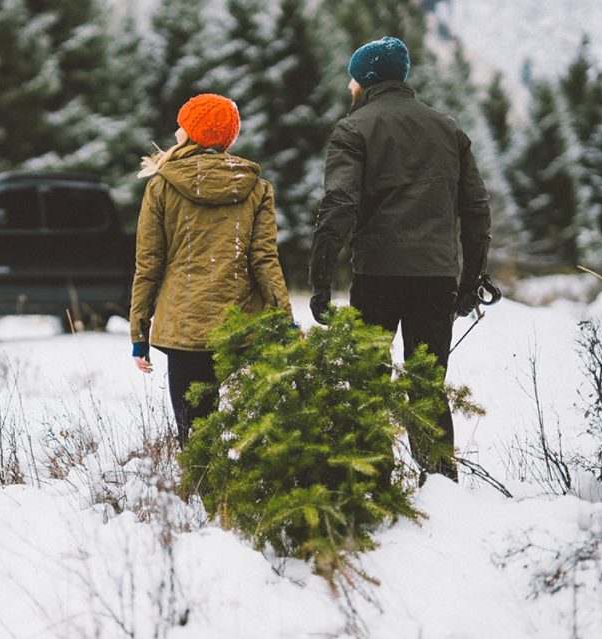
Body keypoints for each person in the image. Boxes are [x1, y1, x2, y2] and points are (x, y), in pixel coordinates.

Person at [307, 36, 492, 481]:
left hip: (378, 276)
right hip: (436, 276)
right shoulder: (448, 129)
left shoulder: (353, 129)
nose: (349, 85)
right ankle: (441, 481)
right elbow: (476, 210)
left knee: (369, 382)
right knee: (426, 383)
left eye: (354, 77)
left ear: (367, 80)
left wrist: (320, 282)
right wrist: (470, 282)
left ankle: (374, 481)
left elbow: (338, 206)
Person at [130, 93, 293, 446]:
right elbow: (265, 260)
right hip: (241, 327)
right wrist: (284, 318)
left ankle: (204, 496)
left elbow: (149, 265)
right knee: (250, 432)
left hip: (184, 325)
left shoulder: (160, 186)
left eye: (182, 124)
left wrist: (139, 333)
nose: (175, 131)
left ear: (192, 133)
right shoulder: (257, 188)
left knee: (194, 437)